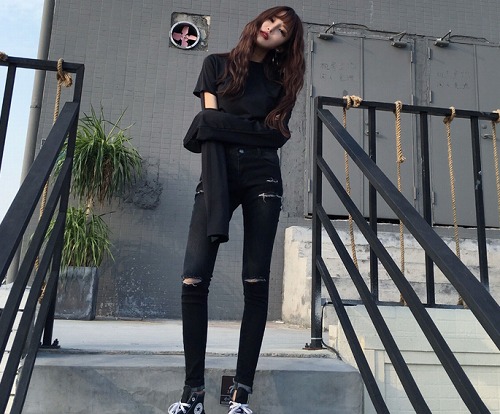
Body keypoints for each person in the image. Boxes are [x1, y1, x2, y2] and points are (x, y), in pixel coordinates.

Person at [168, 6, 305, 414]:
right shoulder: (216, 65)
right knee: (194, 277)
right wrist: (250, 129)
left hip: (263, 178)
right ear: (259, 21)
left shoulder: (282, 82)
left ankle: (241, 394)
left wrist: (224, 125)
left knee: (255, 281)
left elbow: (272, 136)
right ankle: (192, 393)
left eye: (282, 31)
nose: (272, 29)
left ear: (285, 43)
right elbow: (209, 126)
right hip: (218, 173)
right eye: (271, 21)